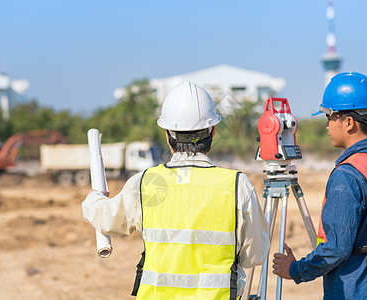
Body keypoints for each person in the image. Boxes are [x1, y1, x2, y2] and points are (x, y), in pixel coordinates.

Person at [82, 81, 270, 299]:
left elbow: (106, 219)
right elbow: (254, 256)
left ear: (167, 134)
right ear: (214, 131)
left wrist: (93, 199)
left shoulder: (144, 183)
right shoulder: (237, 186)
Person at [272, 72, 367, 299]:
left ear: (348, 122)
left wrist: (294, 270)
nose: (327, 126)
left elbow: (336, 249)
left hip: (357, 288)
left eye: (329, 117)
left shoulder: (348, 175)